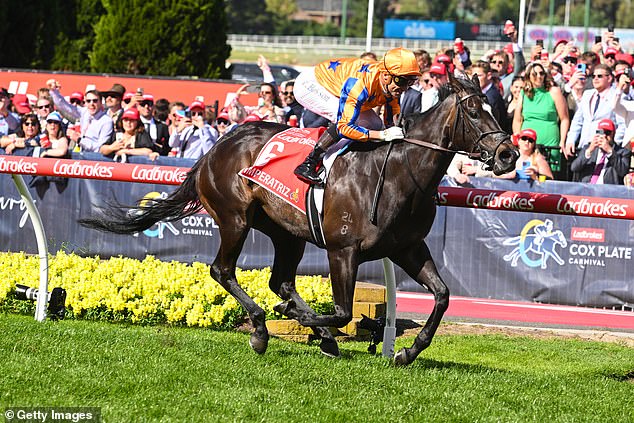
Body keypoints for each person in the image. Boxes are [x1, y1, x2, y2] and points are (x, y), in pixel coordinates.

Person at [292, 47, 421, 184]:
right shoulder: (362, 84)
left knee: (375, 124)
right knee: (351, 121)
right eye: (402, 81)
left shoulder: (392, 85)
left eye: (411, 82)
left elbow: (391, 122)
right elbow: (344, 127)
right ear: (385, 76)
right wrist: (382, 135)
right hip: (311, 84)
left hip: (337, 85)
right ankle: (310, 163)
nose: (405, 88)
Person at [513, 61, 569, 174]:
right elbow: (517, 120)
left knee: (548, 174)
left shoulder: (554, 91)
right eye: (535, 74)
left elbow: (564, 119)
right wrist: (517, 140)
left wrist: (562, 141)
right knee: (526, 172)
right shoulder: (524, 93)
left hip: (550, 140)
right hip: (527, 141)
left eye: (541, 73)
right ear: (529, 76)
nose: (539, 77)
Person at [564, 64, 623, 159]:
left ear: (609, 78)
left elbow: (622, 125)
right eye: (593, 76)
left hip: (604, 150)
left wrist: (612, 145)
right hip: (585, 148)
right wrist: (570, 140)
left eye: (599, 76)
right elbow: (577, 121)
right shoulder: (587, 94)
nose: (595, 79)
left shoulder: (617, 96)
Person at [47, 79, 114, 153]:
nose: (91, 104)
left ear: (101, 102)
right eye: (88, 101)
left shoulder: (106, 121)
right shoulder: (84, 112)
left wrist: (79, 140)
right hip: (81, 153)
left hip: (95, 158)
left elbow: (100, 148)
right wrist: (54, 92)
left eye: (95, 101)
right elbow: (64, 106)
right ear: (85, 102)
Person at [570, 118, 630, 184]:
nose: (603, 136)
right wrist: (589, 151)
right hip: (587, 188)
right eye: (601, 132)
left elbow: (623, 172)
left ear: (613, 134)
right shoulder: (588, 148)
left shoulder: (622, 152)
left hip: (608, 191)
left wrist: (610, 151)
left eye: (607, 133)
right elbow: (574, 168)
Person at [472, 61, 506, 128]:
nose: (474, 79)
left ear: (489, 76)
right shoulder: (479, 93)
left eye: (479, 76)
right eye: (473, 76)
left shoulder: (492, 97)